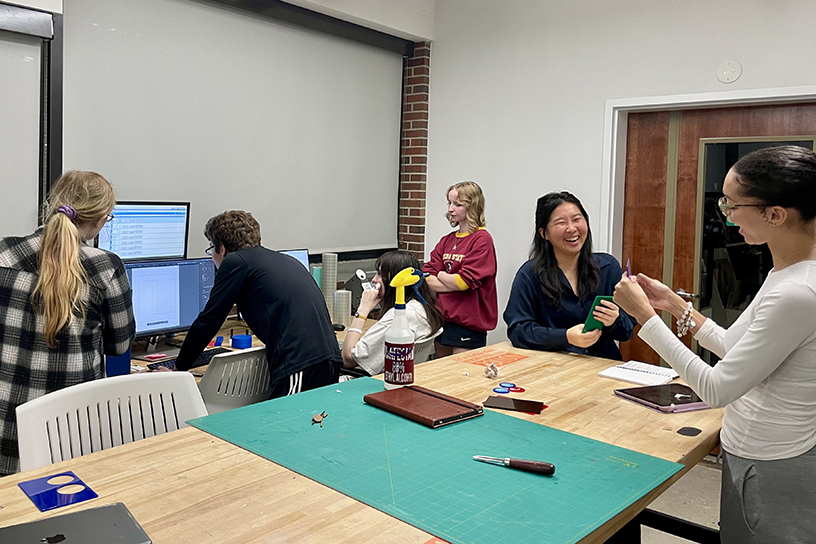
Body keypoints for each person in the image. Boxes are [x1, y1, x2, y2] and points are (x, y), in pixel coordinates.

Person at [613, 146, 816, 543]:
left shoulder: (797, 291)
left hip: (775, 459)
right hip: (754, 450)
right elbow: (734, 347)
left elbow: (717, 387)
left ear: (774, 215)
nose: (725, 215)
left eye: (732, 205)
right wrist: (672, 305)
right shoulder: (786, 272)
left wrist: (647, 320)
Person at [0, 171, 135, 475]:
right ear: (101, 219)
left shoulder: (3, 253)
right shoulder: (105, 267)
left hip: (7, 429)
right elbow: (120, 346)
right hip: (69, 433)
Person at [172, 211, 340, 397]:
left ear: (222, 248)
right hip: (325, 357)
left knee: (288, 423)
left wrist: (178, 370)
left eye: (212, 248)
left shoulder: (235, 261)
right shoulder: (284, 260)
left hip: (301, 363)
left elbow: (209, 320)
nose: (212, 256)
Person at [503, 191, 634, 359]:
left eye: (577, 219)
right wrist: (566, 337)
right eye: (561, 222)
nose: (572, 228)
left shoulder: (608, 267)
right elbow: (519, 332)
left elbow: (627, 331)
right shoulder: (529, 275)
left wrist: (614, 320)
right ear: (544, 234)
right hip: (553, 369)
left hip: (602, 366)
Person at [422, 181, 498, 356]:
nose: (450, 209)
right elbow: (426, 275)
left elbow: (464, 282)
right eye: (449, 203)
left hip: (468, 325)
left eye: (457, 204)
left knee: (461, 376)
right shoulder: (447, 240)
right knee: (440, 375)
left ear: (472, 206)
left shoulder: (481, 240)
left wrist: (440, 274)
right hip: (442, 320)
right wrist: (450, 281)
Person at [341, 250, 444, 375]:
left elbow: (347, 359)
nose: (374, 279)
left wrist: (362, 310)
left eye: (380, 274)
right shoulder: (420, 307)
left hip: (365, 383)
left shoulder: (399, 317)